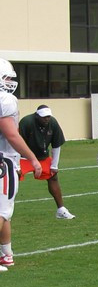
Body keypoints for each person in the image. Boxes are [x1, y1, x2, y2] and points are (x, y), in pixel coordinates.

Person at [0, 58, 42, 271]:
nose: (10, 82)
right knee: (1, 211)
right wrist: (32, 158)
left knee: (5, 212)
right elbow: (12, 135)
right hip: (3, 161)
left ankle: (7, 255)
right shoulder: (5, 99)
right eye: (7, 78)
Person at [18, 105, 75, 219]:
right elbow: (16, 143)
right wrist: (15, 164)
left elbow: (56, 145)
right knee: (13, 177)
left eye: (48, 116)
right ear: (36, 116)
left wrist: (54, 165)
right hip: (23, 157)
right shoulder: (26, 122)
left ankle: (61, 210)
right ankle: (4, 208)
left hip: (42, 157)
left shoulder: (52, 123)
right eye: (44, 117)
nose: (46, 119)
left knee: (53, 177)